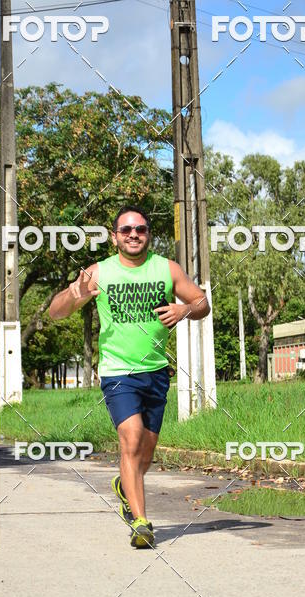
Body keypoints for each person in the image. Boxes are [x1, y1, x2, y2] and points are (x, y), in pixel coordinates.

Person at [48, 205, 210, 548]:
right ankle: (141, 523)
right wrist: (75, 294)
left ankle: (124, 486)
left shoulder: (167, 268)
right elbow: (55, 312)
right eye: (126, 230)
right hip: (118, 371)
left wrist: (184, 309)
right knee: (131, 439)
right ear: (114, 237)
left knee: (145, 455)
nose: (134, 234)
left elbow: (201, 302)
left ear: (148, 234)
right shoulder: (98, 272)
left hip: (156, 371)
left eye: (140, 229)